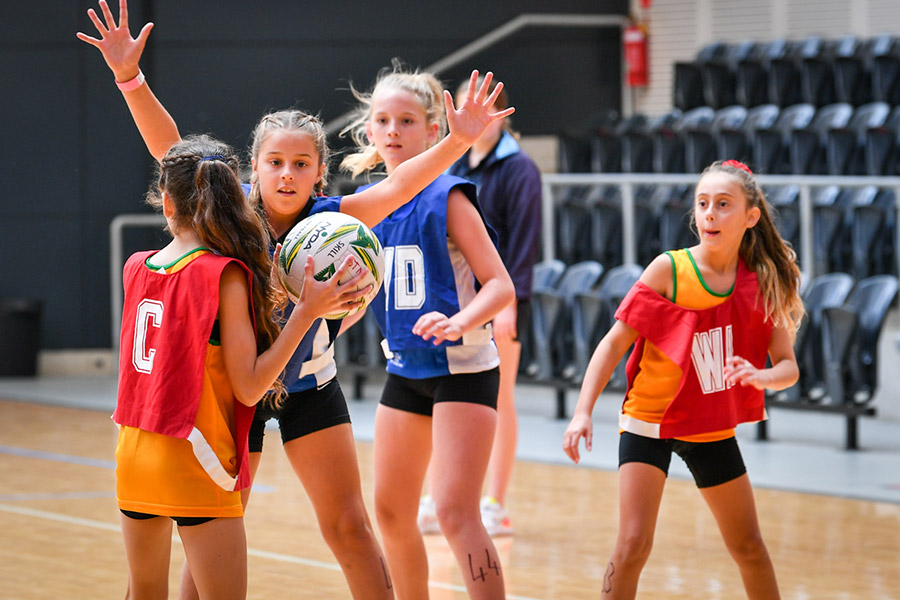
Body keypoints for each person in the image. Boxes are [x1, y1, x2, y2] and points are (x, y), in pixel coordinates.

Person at [77, 2, 513, 598]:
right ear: (250, 170)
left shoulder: (337, 216)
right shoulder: (233, 215)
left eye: (300, 164)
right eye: (275, 163)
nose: (286, 174)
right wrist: (131, 78)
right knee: (206, 540)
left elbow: (401, 183)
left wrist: (456, 143)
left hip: (310, 385)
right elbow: (172, 152)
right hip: (241, 390)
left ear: (319, 173)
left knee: (351, 528)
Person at [114, 134, 369, 600]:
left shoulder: (136, 266)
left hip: (133, 454)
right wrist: (308, 312)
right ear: (237, 197)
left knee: (143, 593)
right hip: (195, 458)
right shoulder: (224, 274)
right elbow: (250, 388)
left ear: (166, 202)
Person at [562, 159, 804, 599]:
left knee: (750, 546)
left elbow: (789, 367)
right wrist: (582, 413)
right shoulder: (669, 270)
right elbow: (612, 345)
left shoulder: (762, 282)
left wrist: (761, 375)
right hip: (648, 424)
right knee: (634, 544)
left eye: (724, 204)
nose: (710, 213)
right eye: (703, 203)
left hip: (710, 428)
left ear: (751, 217)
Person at [340, 62, 516, 600]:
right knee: (391, 512)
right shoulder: (367, 208)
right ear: (369, 131)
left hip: (462, 368)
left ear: (434, 131)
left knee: (456, 511)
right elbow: (362, 297)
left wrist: (461, 320)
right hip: (406, 368)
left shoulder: (450, 195)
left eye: (407, 121)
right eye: (383, 121)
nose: (393, 131)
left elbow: (499, 286)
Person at [417, 76, 542, 537]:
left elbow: (525, 243)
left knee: (500, 399)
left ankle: (495, 503)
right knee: (438, 396)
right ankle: (435, 497)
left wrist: (511, 304)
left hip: (503, 299)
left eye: (482, 106)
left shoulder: (520, 168)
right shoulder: (460, 163)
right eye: (465, 106)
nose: (472, 114)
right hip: (459, 300)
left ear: (499, 111)